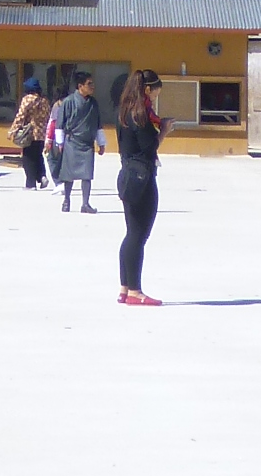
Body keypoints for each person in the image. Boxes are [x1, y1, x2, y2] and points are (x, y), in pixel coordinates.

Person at [115, 69, 170, 304]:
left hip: (127, 173)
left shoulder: (125, 112)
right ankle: (136, 291)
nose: (156, 97)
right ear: (147, 89)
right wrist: (164, 131)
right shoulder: (142, 114)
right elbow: (149, 147)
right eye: (156, 91)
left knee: (131, 234)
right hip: (142, 178)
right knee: (138, 235)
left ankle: (125, 287)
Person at [53, 69, 103, 215]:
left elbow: (98, 124)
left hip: (87, 144)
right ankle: (67, 200)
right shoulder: (68, 102)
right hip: (71, 143)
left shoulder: (93, 104)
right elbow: (60, 124)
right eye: (89, 84)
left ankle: (85, 203)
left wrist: (101, 142)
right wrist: (59, 143)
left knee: (87, 175)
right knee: (69, 174)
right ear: (80, 86)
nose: (92, 86)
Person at [11, 77, 52, 190]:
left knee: (28, 157)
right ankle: (42, 176)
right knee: (38, 156)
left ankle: (30, 184)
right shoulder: (45, 101)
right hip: (42, 133)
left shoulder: (28, 99)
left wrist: (13, 130)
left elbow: (21, 116)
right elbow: (48, 116)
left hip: (29, 133)